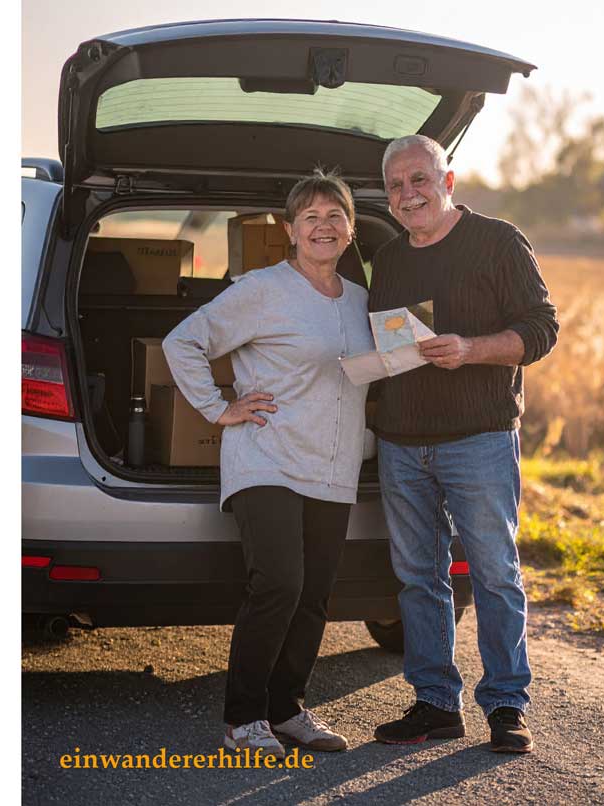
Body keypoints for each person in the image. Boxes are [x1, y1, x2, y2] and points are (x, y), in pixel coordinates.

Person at [163, 170, 373, 760]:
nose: (323, 227)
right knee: (279, 583)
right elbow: (184, 340)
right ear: (290, 230)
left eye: (335, 216)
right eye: (310, 217)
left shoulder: (360, 300)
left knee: (314, 595)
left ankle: (287, 709)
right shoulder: (262, 289)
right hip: (268, 460)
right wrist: (217, 408)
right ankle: (243, 719)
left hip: (332, 467)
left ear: (351, 229)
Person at [369, 135, 558, 753]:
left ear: (448, 182)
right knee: (419, 579)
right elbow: (387, 343)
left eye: (419, 179)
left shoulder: (499, 241)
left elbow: (542, 328)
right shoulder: (391, 259)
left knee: (496, 573)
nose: (407, 194)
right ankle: (434, 705)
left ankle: (506, 705)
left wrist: (472, 349)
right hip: (402, 443)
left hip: (478, 438)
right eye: (396, 185)